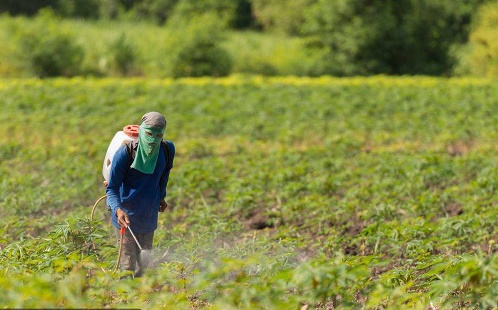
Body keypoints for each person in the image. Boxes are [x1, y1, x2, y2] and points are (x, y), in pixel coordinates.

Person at [106, 111, 175, 277]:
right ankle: (125, 299)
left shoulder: (166, 150)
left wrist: (161, 196)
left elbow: (164, 175)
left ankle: (143, 299)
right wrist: (117, 209)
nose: (152, 139)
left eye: (158, 135)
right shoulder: (125, 153)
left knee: (144, 265)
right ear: (141, 130)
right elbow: (112, 188)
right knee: (127, 265)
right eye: (149, 134)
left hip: (148, 215)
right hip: (125, 216)